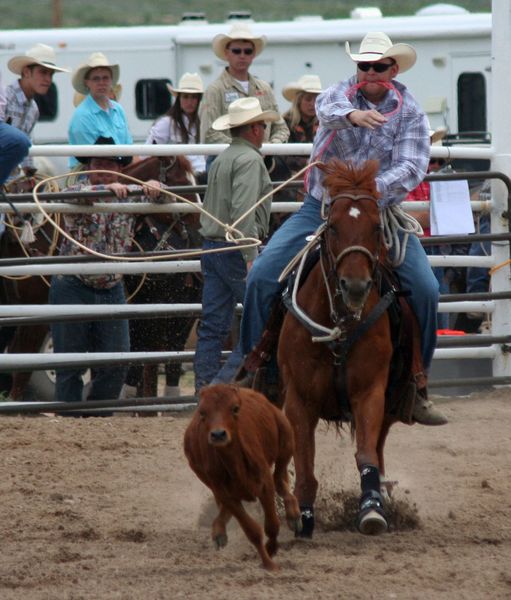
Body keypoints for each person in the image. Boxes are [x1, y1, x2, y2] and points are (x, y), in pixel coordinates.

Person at [226, 32, 447, 426]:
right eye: (364, 65)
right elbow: (327, 108)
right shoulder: (338, 94)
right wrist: (352, 116)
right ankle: (254, 368)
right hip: (321, 208)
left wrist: (363, 193)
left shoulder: (410, 112)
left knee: (427, 290)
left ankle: (417, 383)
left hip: (378, 212)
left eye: (379, 66)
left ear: (393, 70)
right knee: (262, 276)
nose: (371, 72)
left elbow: (413, 166)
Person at [49, 137, 163, 408]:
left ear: (119, 168)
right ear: (88, 167)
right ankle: (70, 420)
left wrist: (157, 187)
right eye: (97, 163)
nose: (101, 168)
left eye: (108, 163)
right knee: (69, 365)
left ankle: (94, 415)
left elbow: (166, 197)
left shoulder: (129, 193)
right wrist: (105, 188)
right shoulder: (77, 189)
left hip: (111, 286)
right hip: (73, 284)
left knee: (118, 362)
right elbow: (74, 195)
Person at [193, 97, 278, 394]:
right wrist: (250, 255)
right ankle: (222, 387)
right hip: (236, 250)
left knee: (214, 324)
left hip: (212, 247)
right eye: (263, 125)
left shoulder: (223, 158)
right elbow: (242, 211)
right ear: (253, 129)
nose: (265, 130)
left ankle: (204, 387)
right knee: (261, 320)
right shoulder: (251, 160)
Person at [199, 23, 289, 161]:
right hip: (226, 161)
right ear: (226, 53)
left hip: (264, 160)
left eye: (247, 51)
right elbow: (209, 133)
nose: (242, 56)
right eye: (236, 51)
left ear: (253, 55)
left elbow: (281, 127)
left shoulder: (264, 88)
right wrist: (247, 149)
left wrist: (271, 147)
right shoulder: (215, 90)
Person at [269, 74, 323, 232]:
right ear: (299, 100)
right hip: (289, 179)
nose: (312, 104)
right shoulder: (285, 123)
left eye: (316, 99)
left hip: (316, 176)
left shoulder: (324, 124)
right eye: (308, 99)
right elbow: (282, 156)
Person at [4, 43, 68, 175]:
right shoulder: (5, 98)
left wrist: (28, 174)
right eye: (43, 72)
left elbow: (27, 142)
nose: (48, 79)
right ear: (27, 72)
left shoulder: (33, 109)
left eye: (51, 74)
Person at [68, 52, 132, 168]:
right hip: (89, 176)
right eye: (96, 79)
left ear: (111, 81)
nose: (101, 83)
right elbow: (94, 162)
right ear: (87, 82)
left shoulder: (118, 109)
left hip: (117, 171)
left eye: (105, 78)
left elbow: (129, 148)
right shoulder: (82, 116)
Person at [145, 72, 206, 182]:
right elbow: (147, 153)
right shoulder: (167, 122)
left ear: (198, 100)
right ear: (179, 99)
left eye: (193, 97)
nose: (189, 102)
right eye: (185, 97)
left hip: (201, 174)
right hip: (180, 178)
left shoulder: (202, 122)